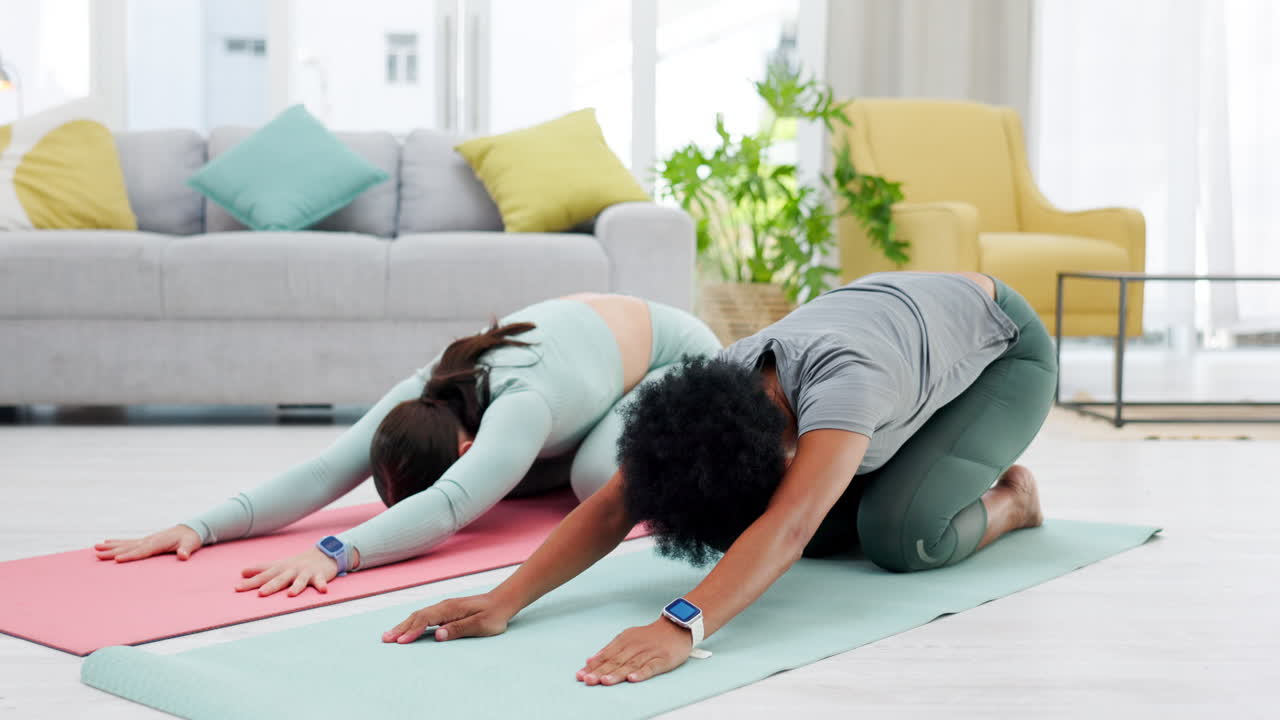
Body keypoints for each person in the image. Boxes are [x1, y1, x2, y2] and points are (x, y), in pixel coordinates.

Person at [382, 272, 1057, 687]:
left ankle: (1012, 501)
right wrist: (505, 599)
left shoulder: (846, 390)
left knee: (902, 537)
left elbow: (787, 526)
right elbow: (621, 501)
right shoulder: (724, 379)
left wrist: (682, 624)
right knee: (812, 528)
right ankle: (922, 467)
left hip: (1005, 354)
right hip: (906, 334)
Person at [93, 293, 722, 598]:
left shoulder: (523, 403)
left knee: (594, 484)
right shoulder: (423, 391)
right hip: (586, 376)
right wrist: (196, 527)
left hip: (680, 359)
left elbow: (449, 507)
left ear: (467, 443)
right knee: (536, 473)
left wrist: (336, 552)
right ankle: (549, 446)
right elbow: (320, 473)